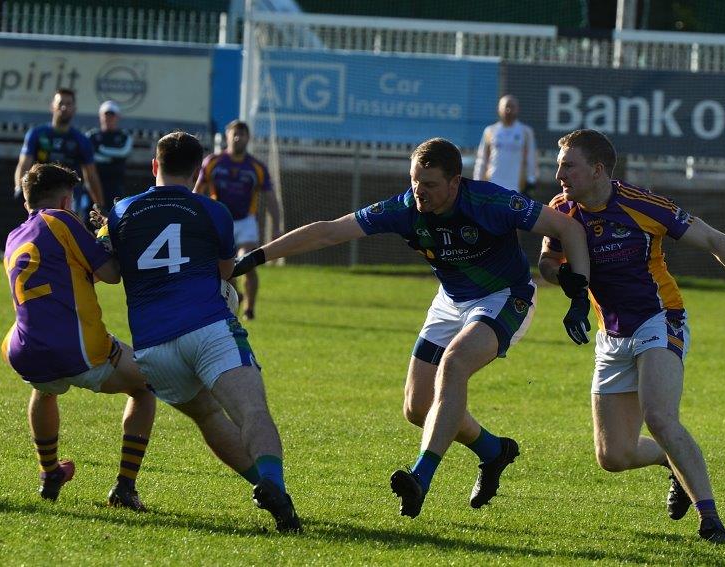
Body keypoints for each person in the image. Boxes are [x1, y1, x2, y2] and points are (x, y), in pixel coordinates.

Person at [233, 137, 592, 518]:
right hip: (450, 300)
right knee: (418, 408)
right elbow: (329, 231)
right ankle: (493, 451)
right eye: (415, 182)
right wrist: (258, 255)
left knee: (454, 365)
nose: (419, 193)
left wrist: (579, 293)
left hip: (504, 296)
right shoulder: (405, 207)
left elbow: (567, 228)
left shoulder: (491, 201)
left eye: (430, 185)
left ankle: (420, 477)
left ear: (455, 182)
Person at [538, 129, 725, 544]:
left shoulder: (641, 203)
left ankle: (711, 521)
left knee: (659, 416)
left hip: (659, 318)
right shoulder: (562, 209)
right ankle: (670, 462)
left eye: (568, 165)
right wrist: (562, 277)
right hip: (611, 333)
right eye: (559, 165)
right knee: (613, 456)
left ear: (598, 169)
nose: (559, 174)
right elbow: (549, 259)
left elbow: (714, 237)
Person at [105, 131, 301, 533]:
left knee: (209, 416)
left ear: (154, 166)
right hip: (208, 328)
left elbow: (111, 271)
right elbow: (225, 273)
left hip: (153, 347)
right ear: (198, 174)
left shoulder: (121, 211)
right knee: (251, 411)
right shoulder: (213, 212)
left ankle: (266, 489)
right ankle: (275, 486)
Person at [2, 162, 157, 507]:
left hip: (23, 348)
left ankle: (49, 471)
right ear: (65, 200)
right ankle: (125, 487)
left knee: (44, 389)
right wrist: (105, 236)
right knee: (146, 385)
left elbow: (70, 275)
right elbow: (111, 273)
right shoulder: (62, 220)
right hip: (78, 347)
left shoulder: (15, 236)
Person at [194, 120, 282, 320]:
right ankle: (236, 296)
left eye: (241, 134)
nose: (237, 138)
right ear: (227, 136)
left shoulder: (256, 167)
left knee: (247, 262)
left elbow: (271, 199)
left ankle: (249, 310)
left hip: (246, 222)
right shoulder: (213, 162)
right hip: (219, 221)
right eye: (234, 133)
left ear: (248, 138)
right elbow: (197, 191)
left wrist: (277, 226)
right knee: (226, 270)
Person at [15, 88, 104, 215]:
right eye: (60, 103)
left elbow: (91, 176)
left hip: (70, 201)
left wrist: (100, 206)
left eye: (68, 104)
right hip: (41, 199)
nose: (64, 108)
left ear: (74, 109)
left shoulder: (81, 140)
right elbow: (23, 164)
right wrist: (19, 188)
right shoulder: (37, 134)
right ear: (52, 106)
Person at [473, 95, 538, 196]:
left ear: (517, 109)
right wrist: (477, 180)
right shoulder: (490, 131)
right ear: (499, 109)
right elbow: (482, 158)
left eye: (512, 107)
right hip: (492, 185)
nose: (508, 110)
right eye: (505, 106)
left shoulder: (525, 131)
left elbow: (531, 158)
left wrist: (531, 179)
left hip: (516, 186)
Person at [87, 100, 133, 209]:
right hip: (94, 184)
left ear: (117, 117)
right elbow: (89, 156)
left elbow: (123, 152)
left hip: (116, 185)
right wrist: (111, 158)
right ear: (100, 116)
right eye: (106, 115)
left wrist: (102, 150)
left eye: (112, 115)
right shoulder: (91, 136)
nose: (109, 118)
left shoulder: (124, 136)